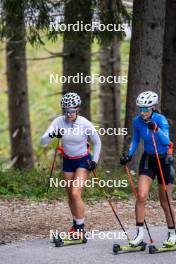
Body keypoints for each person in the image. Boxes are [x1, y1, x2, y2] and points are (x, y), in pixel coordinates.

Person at [41, 92, 101, 238]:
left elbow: (97, 142)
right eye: (66, 111)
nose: (69, 115)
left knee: (75, 193)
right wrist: (53, 134)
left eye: (72, 111)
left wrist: (95, 161)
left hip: (83, 161)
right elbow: (42, 141)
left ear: (77, 109)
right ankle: (76, 225)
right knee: (70, 195)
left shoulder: (85, 123)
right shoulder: (58, 122)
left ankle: (81, 228)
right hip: (68, 161)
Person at [120, 91, 176, 247]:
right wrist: (129, 155)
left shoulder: (161, 120)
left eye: (145, 109)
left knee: (165, 201)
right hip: (148, 159)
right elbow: (136, 139)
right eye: (140, 108)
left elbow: (166, 142)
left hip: (163, 159)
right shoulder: (137, 121)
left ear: (152, 107)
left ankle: (172, 234)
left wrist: (156, 129)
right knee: (141, 195)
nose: (142, 112)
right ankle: (139, 235)